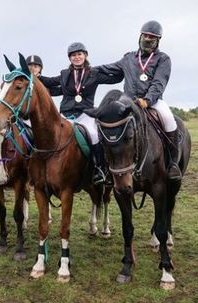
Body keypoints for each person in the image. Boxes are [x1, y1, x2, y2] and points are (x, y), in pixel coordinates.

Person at [96, 20, 182, 180]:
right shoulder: (128, 58)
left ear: (158, 40)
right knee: (108, 125)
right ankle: (105, 168)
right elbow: (109, 68)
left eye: (152, 37)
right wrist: (90, 69)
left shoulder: (163, 59)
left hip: (153, 102)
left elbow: (159, 82)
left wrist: (147, 100)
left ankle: (172, 164)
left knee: (170, 121)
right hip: (127, 102)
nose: (148, 39)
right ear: (140, 36)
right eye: (145, 35)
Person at [40, 42, 122, 184]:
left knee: (94, 135)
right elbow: (50, 82)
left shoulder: (94, 73)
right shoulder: (65, 74)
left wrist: (121, 68)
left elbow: (116, 78)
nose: (76, 57)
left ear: (85, 55)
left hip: (85, 114)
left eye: (79, 54)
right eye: (73, 55)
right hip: (65, 114)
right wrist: (35, 76)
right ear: (69, 58)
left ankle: (99, 169)